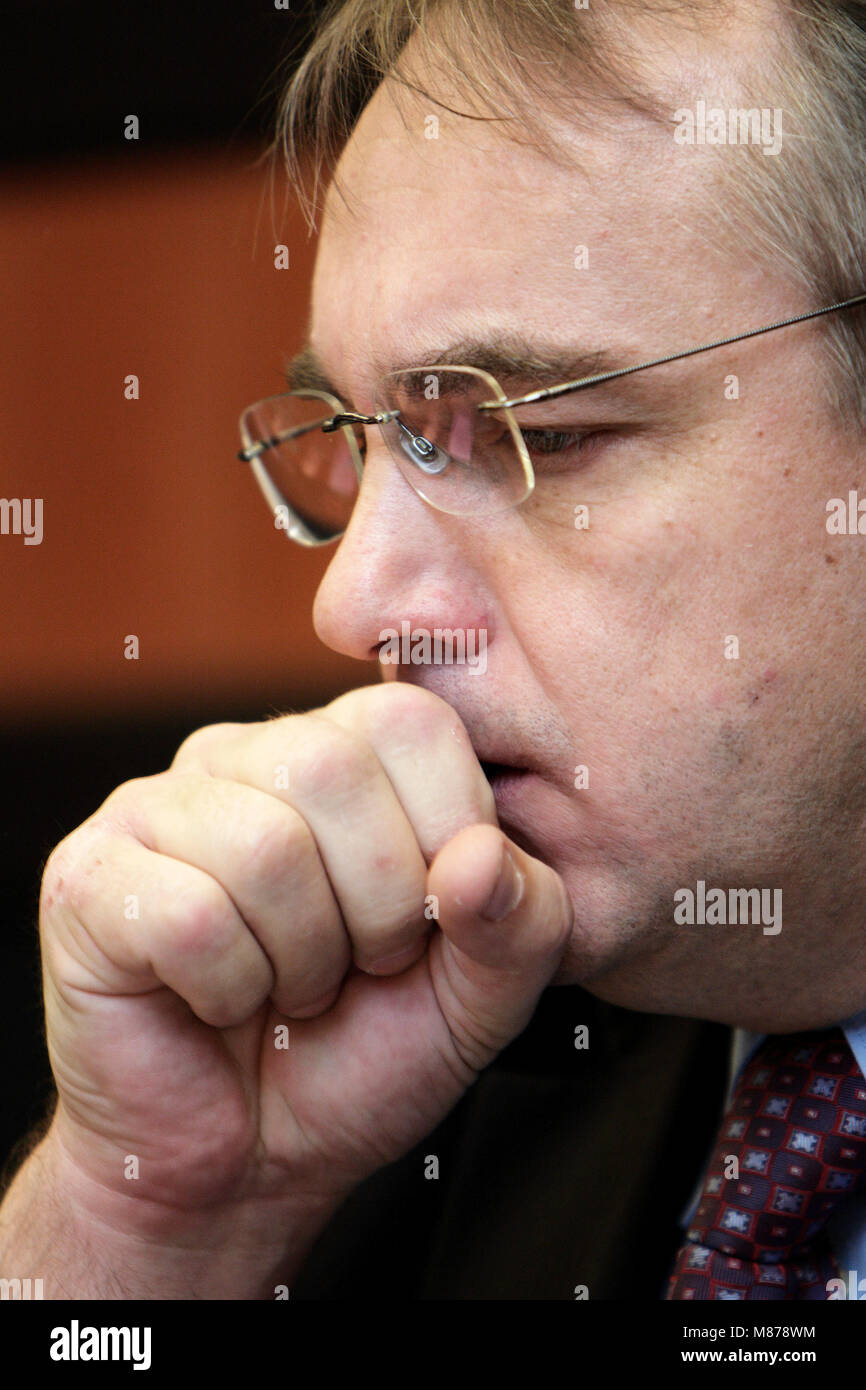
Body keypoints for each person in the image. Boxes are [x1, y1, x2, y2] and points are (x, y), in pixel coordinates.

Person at [1, 0, 864, 1301]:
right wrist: (150, 1242)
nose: (351, 607)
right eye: (367, 442)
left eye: (540, 434)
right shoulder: (392, 1098)